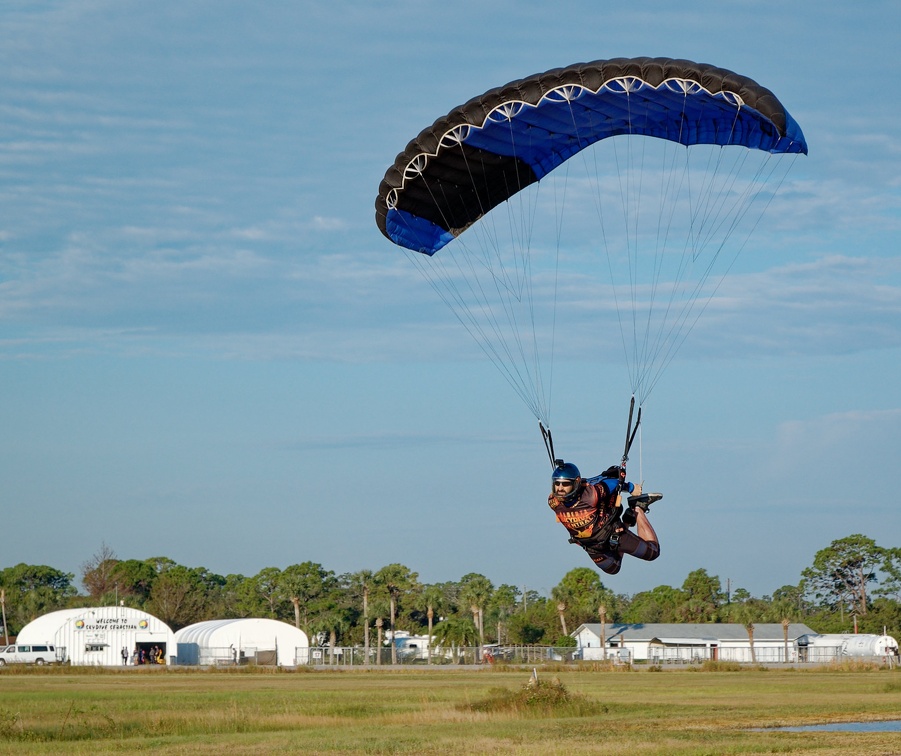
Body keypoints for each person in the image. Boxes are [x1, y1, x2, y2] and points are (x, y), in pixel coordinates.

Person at [548, 460, 661, 574]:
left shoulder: (590, 495)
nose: (560, 488)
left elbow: (613, 483)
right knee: (613, 569)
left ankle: (638, 507)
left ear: (575, 483)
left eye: (565, 484)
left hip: (612, 534)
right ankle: (628, 519)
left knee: (653, 553)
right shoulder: (553, 501)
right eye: (557, 484)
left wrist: (630, 487)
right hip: (592, 546)